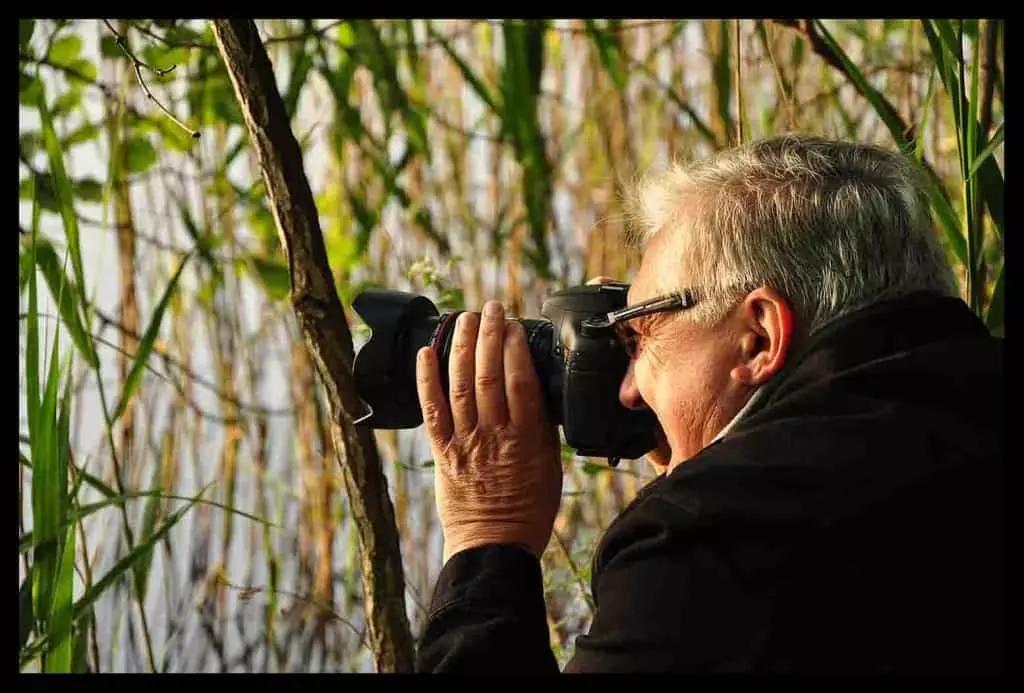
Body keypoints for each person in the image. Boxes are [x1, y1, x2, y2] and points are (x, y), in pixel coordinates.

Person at [411, 135, 1003, 673]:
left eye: (641, 334)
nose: (628, 389)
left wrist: (487, 541)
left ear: (759, 339)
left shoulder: (712, 535)